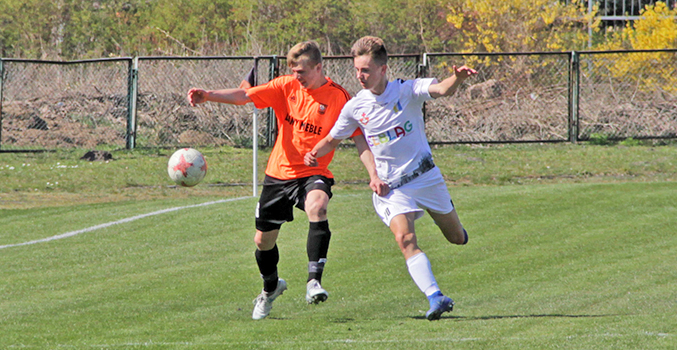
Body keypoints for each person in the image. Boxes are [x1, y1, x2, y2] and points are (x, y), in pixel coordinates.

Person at [188, 41, 368, 320]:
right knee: (263, 242)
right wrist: (208, 95)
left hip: (312, 172)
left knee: (318, 207)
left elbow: (357, 136)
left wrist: (374, 171)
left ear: (319, 67)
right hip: (278, 174)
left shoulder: (338, 97)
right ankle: (271, 288)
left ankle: (313, 282)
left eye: (303, 71)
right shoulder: (285, 86)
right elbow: (244, 95)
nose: (298, 76)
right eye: (294, 71)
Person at [304, 36, 475, 321]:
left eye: (366, 70)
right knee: (404, 237)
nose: (360, 76)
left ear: (383, 69)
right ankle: (436, 296)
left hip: (426, 177)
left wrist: (456, 79)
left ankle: (449, 222)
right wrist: (314, 153)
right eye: (357, 69)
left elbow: (442, 89)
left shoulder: (406, 89)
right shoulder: (355, 107)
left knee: (457, 238)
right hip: (391, 188)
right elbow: (332, 140)